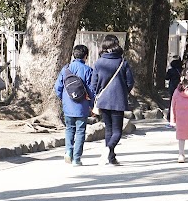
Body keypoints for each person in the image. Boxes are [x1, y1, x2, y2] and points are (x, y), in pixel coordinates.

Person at [90, 35, 134, 166]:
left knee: (109, 130)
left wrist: (98, 94)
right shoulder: (122, 62)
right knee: (118, 131)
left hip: (103, 100)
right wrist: (122, 91)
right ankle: (108, 150)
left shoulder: (98, 63)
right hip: (118, 100)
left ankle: (111, 157)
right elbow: (130, 82)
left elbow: (93, 84)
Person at [54, 45, 94, 166]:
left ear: (74, 55)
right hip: (82, 106)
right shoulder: (88, 70)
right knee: (81, 131)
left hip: (68, 106)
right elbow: (92, 90)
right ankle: (76, 159)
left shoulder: (66, 69)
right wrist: (91, 105)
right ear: (86, 56)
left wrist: (64, 99)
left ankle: (68, 152)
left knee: (69, 129)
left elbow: (57, 88)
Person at [165, 59, 182, 125]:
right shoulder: (182, 70)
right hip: (180, 88)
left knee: (172, 102)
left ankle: (170, 116)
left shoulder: (171, 71)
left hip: (172, 87)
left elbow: (166, 77)